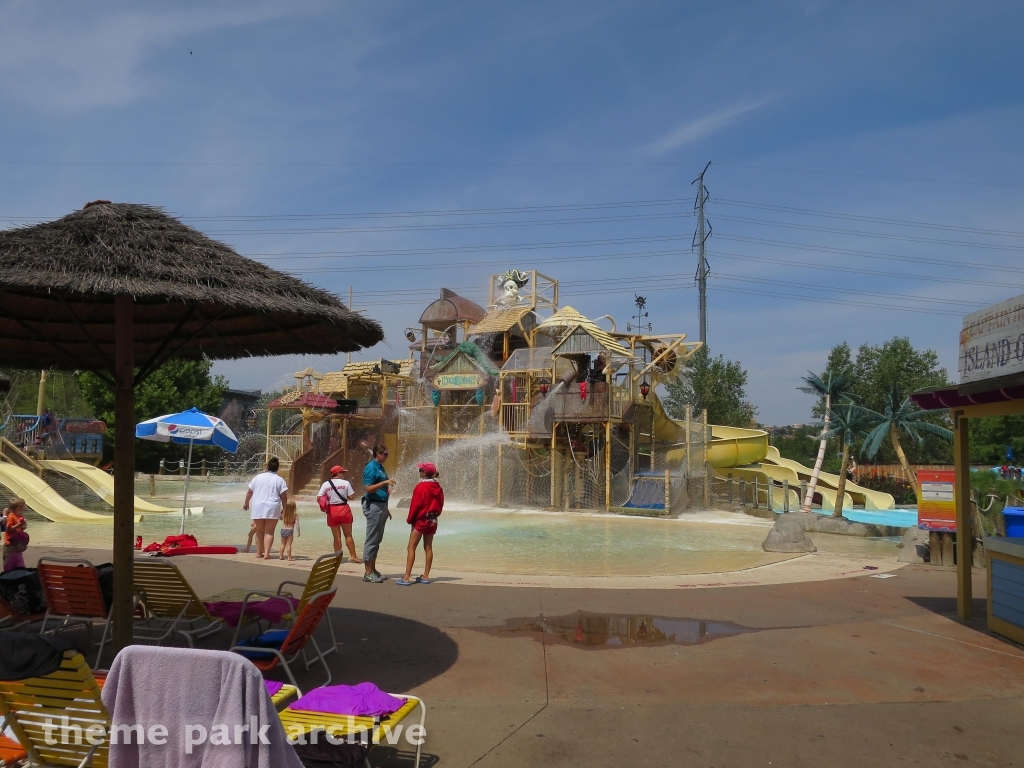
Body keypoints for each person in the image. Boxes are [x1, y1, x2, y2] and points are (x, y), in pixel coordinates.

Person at [397, 462, 444, 586]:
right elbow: (441, 503)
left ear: (424, 473)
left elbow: (415, 505)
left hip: (421, 520)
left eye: (420, 470)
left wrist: (410, 519)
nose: (419, 472)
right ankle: (426, 575)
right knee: (428, 547)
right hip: (433, 520)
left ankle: (406, 577)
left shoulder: (420, 487)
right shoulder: (438, 487)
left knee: (411, 547)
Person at [242, 457, 288, 560]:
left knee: (259, 531)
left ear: (267, 467)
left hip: (258, 506)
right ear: (277, 468)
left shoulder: (258, 477)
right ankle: (267, 554)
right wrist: (284, 509)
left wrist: (246, 503)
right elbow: (284, 497)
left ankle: (258, 553)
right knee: (269, 532)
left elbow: (249, 492)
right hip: (272, 506)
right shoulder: (280, 480)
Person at [361, 445, 395, 583]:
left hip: (381, 505)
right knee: (371, 540)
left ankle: (373, 569)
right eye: (385, 454)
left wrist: (386, 508)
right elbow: (368, 488)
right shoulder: (371, 467)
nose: (387, 456)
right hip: (373, 505)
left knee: (377, 540)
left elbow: (381, 488)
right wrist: (385, 482)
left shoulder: (380, 466)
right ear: (378, 454)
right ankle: (367, 573)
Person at [317, 465, 360, 563]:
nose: (344, 474)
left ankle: (337, 558)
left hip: (333, 511)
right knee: (348, 535)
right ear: (338, 473)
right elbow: (352, 497)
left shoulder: (326, 484)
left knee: (336, 537)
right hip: (344, 509)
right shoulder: (346, 483)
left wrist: (327, 501)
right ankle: (353, 556)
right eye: (342, 472)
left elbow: (319, 498)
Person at [2, 498, 27, 565]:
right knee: (9, 563)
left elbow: (22, 527)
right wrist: (19, 524)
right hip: (10, 543)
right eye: (24, 506)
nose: (25, 508)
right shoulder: (11, 516)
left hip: (18, 543)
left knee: (19, 562)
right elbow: (8, 529)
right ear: (18, 508)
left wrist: (23, 526)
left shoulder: (20, 516)